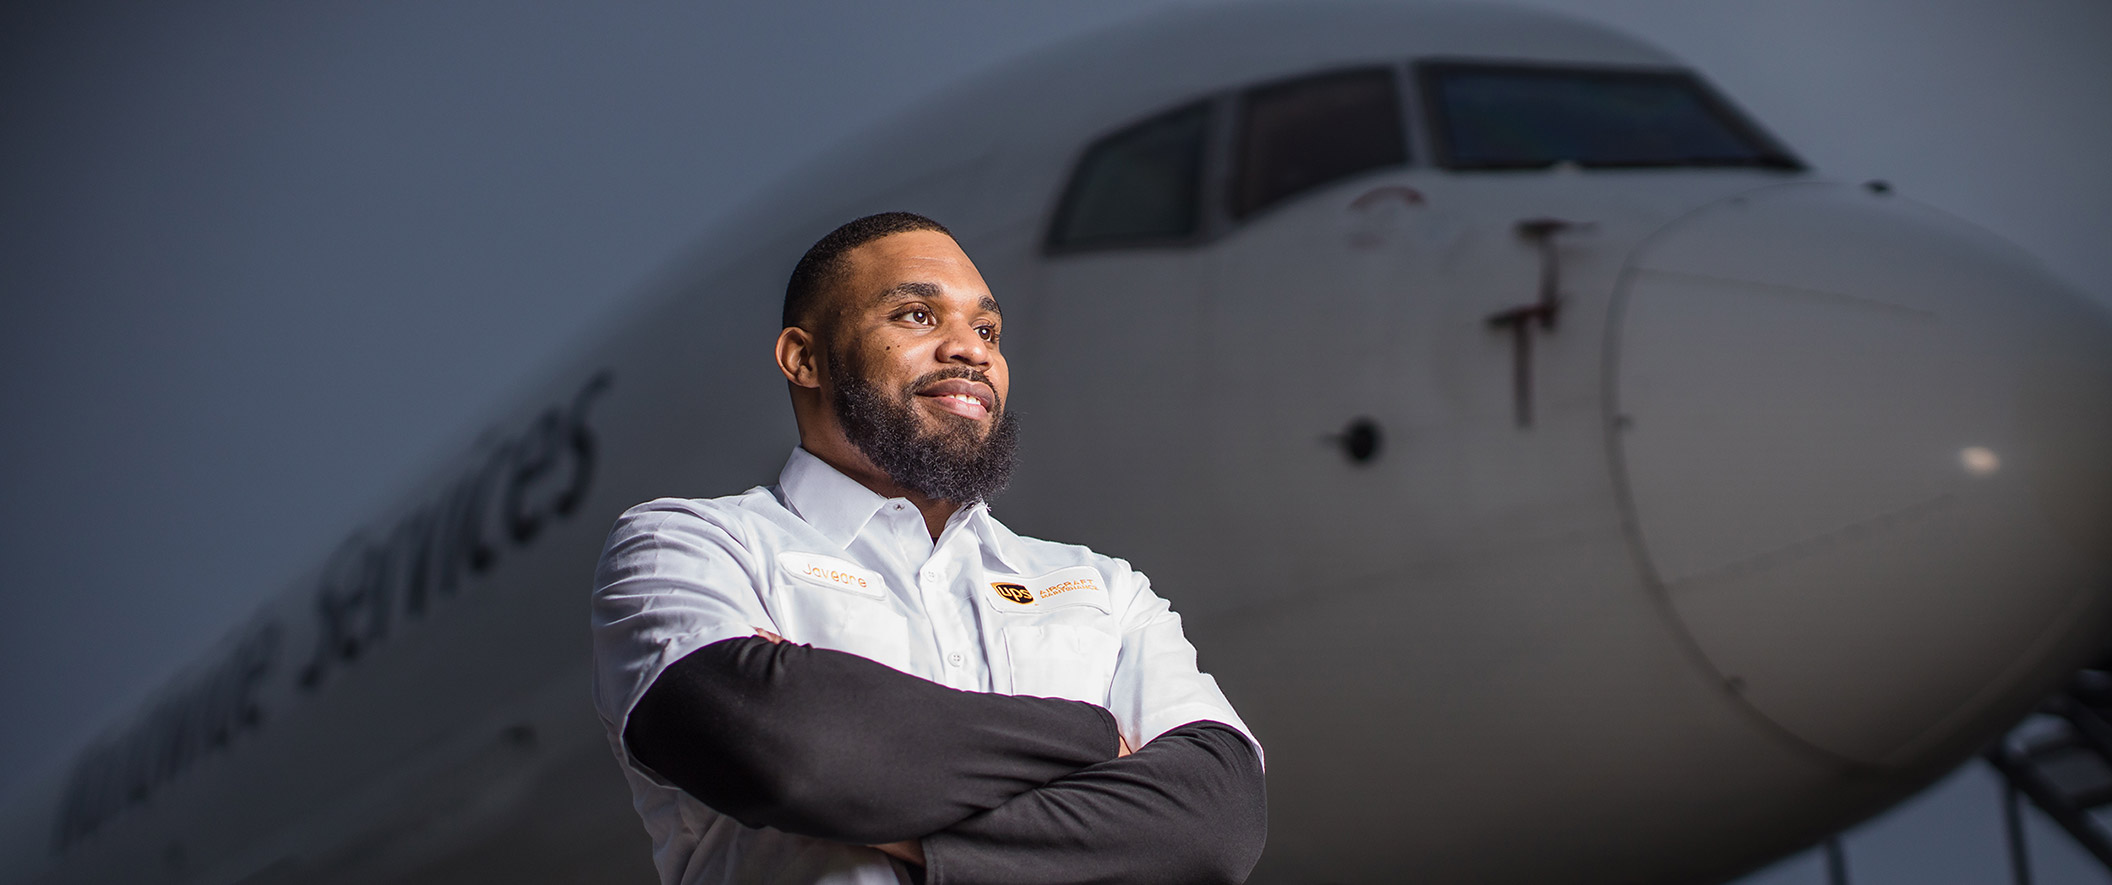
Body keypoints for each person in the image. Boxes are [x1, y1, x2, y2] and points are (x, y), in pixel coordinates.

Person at [590, 212, 1266, 885]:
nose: (970, 350)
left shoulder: (1104, 588)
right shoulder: (688, 545)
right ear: (805, 357)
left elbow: (1214, 824)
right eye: (917, 316)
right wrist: (1093, 740)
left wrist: (893, 817)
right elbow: (801, 756)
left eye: (986, 329)